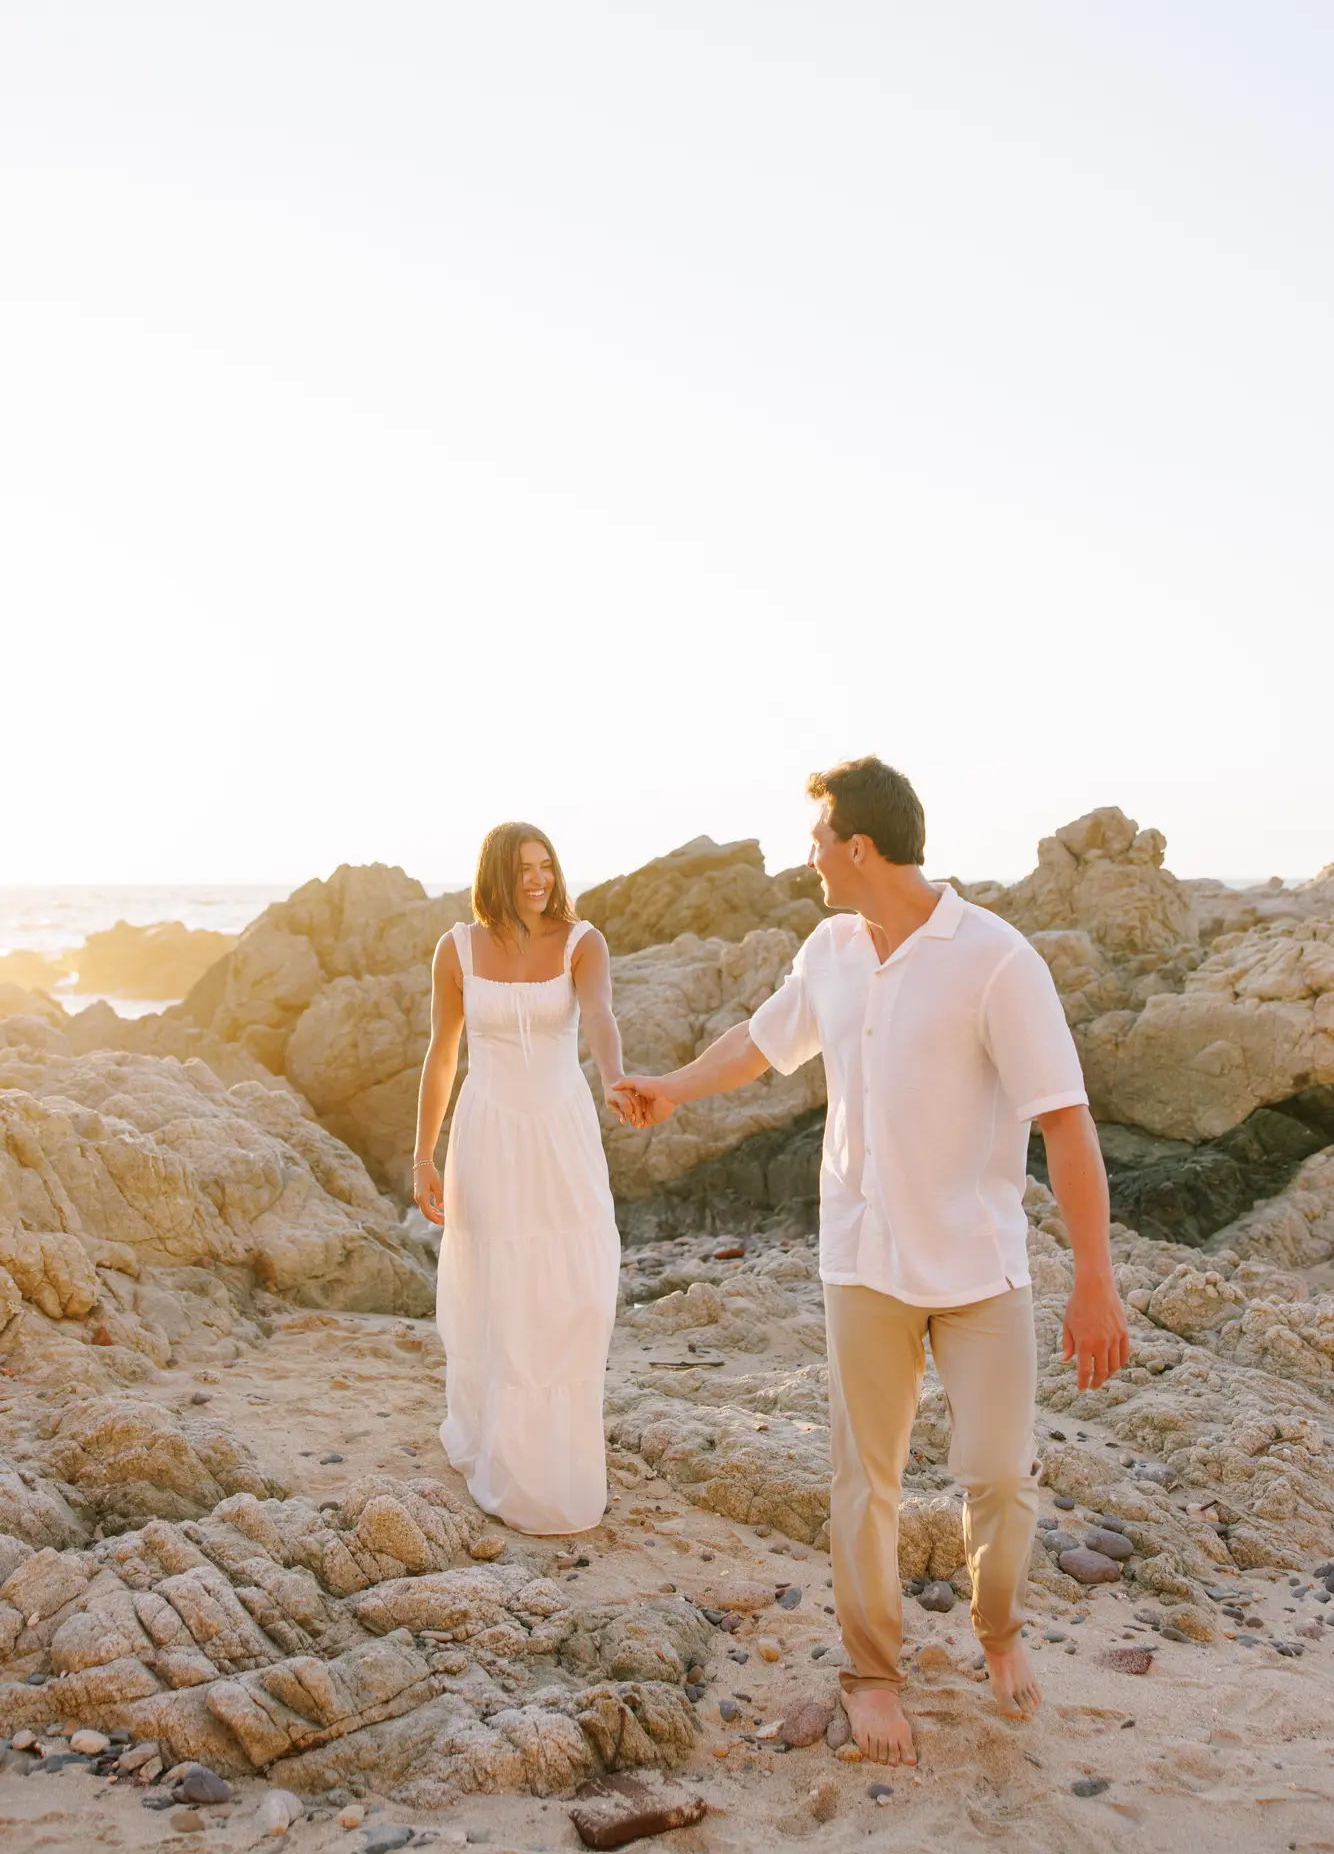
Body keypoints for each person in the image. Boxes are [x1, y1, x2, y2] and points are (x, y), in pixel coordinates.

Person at [613, 757, 1128, 1766]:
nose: (803, 858)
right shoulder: (831, 947)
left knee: (997, 1477)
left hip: (978, 1266)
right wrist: (672, 1088)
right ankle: (872, 1671)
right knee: (865, 1480)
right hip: (860, 1257)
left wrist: (1094, 1279)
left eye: (815, 840)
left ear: (857, 846)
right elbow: (760, 1043)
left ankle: (997, 1628)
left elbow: (1064, 1123)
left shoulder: (995, 958)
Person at [412, 822, 629, 1535]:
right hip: (489, 1133)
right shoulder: (456, 948)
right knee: (502, 1289)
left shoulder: (581, 941)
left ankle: (563, 1453)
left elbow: (597, 1014)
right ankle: (504, 1451)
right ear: (496, 874)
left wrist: (615, 1077)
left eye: (546, 865)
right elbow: (442, 1054)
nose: (538, 878)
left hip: (560, 1129)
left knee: (579, 1285)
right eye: (524, 867)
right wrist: (424, 1153)